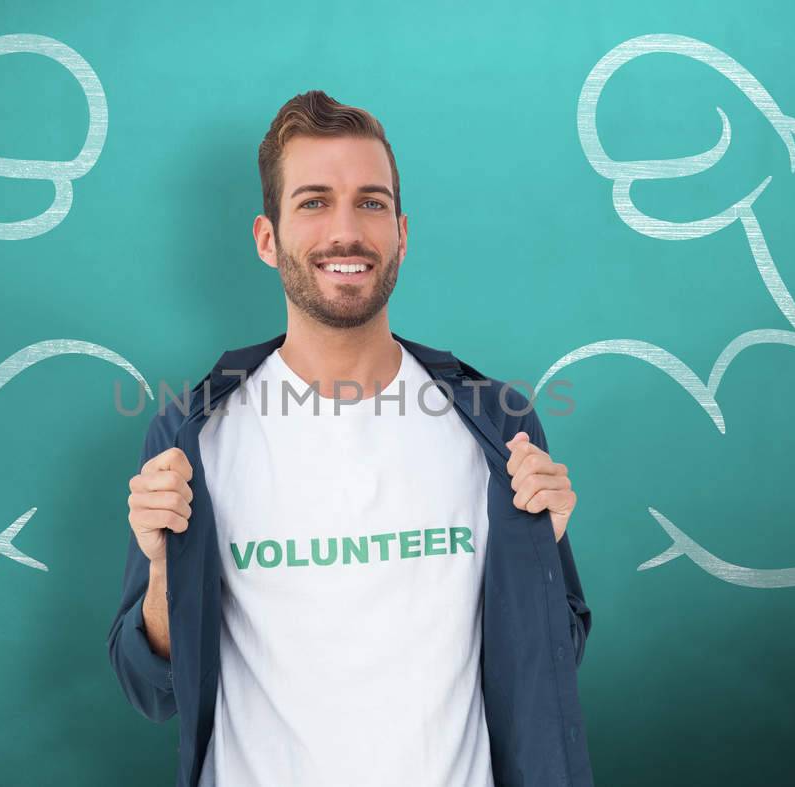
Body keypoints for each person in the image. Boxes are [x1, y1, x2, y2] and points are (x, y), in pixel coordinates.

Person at [107, 90, 593, 787]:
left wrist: (538, 561)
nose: (347, 230)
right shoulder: (193, 436)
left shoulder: (496, 424)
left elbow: (552, 664)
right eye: (313, 201)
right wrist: (162, 573)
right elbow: (149, 688)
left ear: (401, 231)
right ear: (266, 238)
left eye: (370, 202)